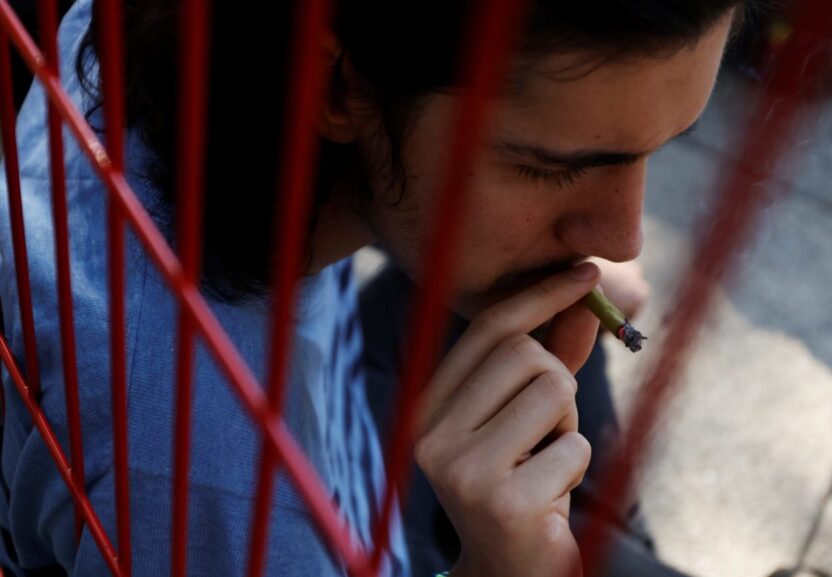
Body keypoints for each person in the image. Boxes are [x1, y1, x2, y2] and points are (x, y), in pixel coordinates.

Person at [0, 0, 747, 575]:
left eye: (654, 150)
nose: (627, 235)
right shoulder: (233, 509)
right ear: (333, 82)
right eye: (553, 166)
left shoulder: (158, 41)